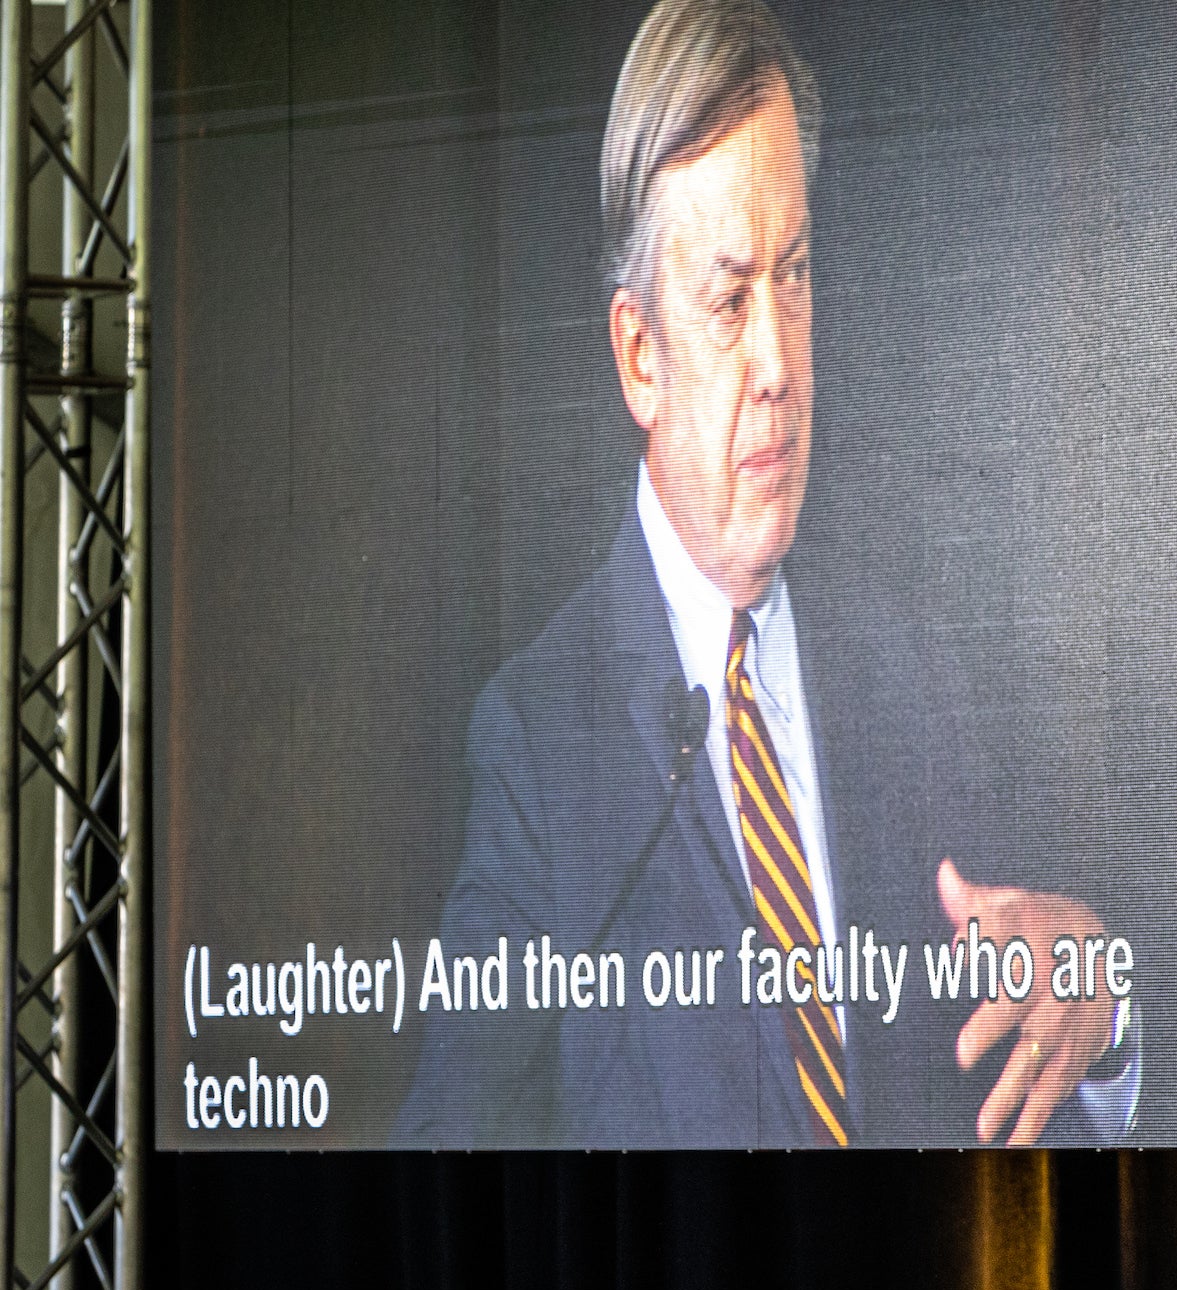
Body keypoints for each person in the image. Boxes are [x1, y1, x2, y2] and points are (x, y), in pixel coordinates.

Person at [398, 0, 1138, 1148]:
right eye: (731, 298)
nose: (779, 362)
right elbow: (447, 1159)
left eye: (793, 276)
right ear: (640, 355)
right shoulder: (538, 743)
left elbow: (1028, 1095)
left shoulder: (912, 673)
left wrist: (1099, 999)